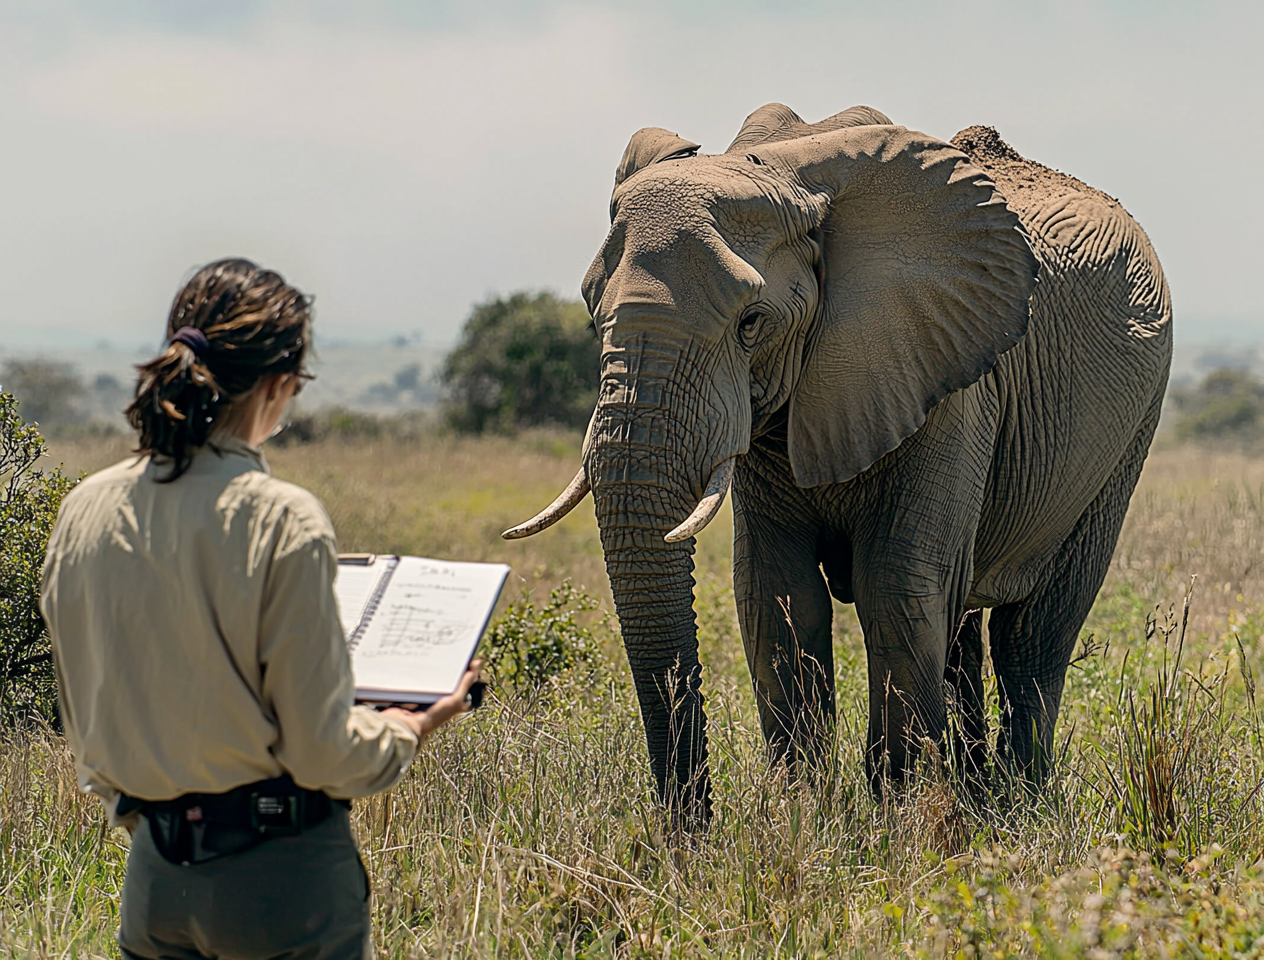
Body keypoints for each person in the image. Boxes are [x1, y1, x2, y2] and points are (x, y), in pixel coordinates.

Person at [40, 258, 479, 960]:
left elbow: (91, 733)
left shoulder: (83, 510)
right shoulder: (282, 519)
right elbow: (321, 750)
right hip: (284, 882)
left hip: (153, 881)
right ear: (279, 384)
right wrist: (410, 728)